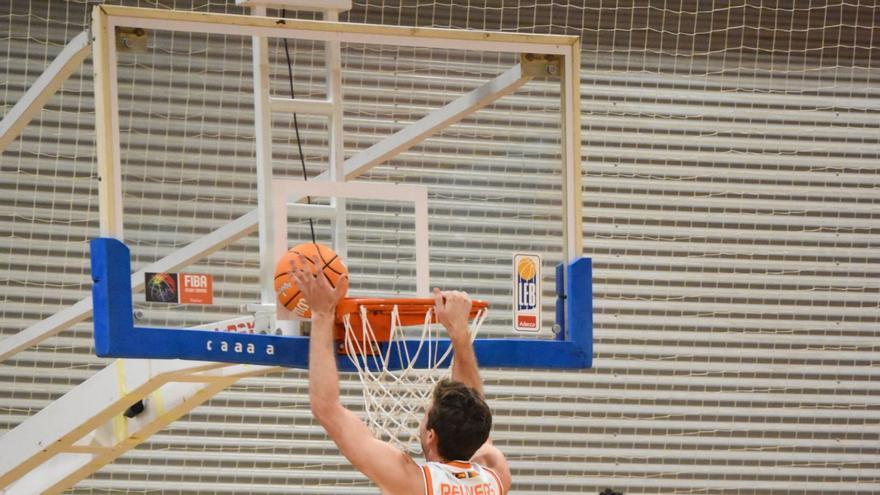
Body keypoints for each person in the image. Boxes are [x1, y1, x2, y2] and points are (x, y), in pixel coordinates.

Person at [290, 253, 512, 495]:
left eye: (426, 413)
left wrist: (322, 314)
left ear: (430, 435)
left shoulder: (413, 483)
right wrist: (459, 332)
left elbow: (326, 408)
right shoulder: (494, 475)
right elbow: (472, 409)